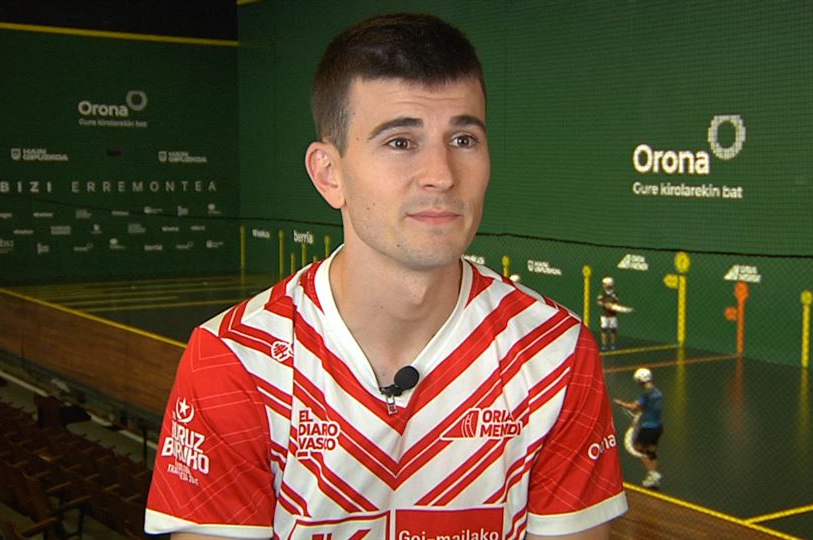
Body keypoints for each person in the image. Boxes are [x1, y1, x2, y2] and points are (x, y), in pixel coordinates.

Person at [144, 13, 627, 540]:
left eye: (463, 139)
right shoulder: (236, 359)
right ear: (329, 174)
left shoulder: (555, 354)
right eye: (400, 141)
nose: (441, 175)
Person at [613, 368, 663, 488]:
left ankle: (653, 473)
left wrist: (621, 403)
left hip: (647, 428)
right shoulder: (658, 392)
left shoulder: (646, 394)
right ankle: (653, 477)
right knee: (650, 451)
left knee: (638, 449)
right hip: (658, 427)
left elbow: (633, 407)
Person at [596, 276, 621, 350]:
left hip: (613, 315)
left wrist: (611, 305)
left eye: (605, 284)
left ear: (609, 285)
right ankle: (604, 345)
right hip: (604, 315)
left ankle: (613, 344)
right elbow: (599, 302)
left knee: (613, 330)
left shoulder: (614, 293)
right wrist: (605, 304)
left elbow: (616, 302)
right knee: (604, 329)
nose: (603, 285)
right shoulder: (602, 293)